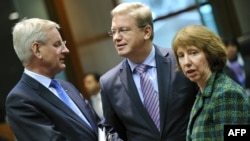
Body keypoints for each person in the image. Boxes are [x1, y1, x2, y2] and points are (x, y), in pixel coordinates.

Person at [100, 2, 198, 141]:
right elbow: (110, 129)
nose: (116, 37)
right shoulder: (108, 83)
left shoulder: (180, 61)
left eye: (123, 30)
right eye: (113, 32)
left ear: (146, 32)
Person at [5, 18, 100, 141]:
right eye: (57, 44)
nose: (66, 50)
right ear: (37, 50)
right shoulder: (20, 100)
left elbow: (101, 126)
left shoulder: (67, 86)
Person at [172, 25, 250, 140]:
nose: (186, 62)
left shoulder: (226, 94)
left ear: (211, 54)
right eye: (181, 55)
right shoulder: (203, 94)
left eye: (193, 52)